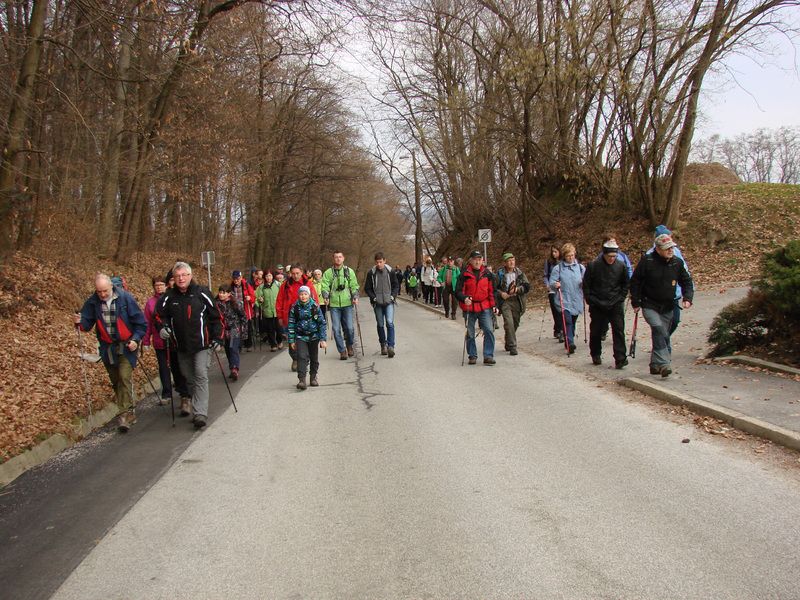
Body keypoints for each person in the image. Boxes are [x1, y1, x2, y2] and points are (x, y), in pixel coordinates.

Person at [75, 273, 147, 432]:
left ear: (111, 287)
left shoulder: (125, 298)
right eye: (99, 291)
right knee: (116, 380)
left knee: (124, 376)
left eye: (105, 291)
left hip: (127, 346)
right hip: (107, 348)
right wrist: (79, 322)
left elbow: (141, 323)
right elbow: (86, 324)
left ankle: (124, 414)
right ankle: (128, 409)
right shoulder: (93, 302)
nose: (102, 294)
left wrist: (135, 339)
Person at [156, 261, 223, 429]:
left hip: (202, 345)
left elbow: (216, 317)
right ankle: (197, 405)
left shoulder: (201, 293)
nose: (180, 279)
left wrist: (218, 338)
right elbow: (158, 316)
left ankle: (200, 413)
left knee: (200, 375)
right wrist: (163, 328)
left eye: (184, 275)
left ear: (190, 276)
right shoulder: (169, 297)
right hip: (181, 347)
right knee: (189, 377)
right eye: (177, 276)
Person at [630, 233, 694, 378]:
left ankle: (654, 365)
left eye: (672, 247)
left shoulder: (676, 263)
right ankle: (664, 363)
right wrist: (636, 301)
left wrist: (687, 298)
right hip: (649, 304)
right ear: (658, 249)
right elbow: (635, 282)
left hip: (668, 306)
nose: (670, 250)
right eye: (667, 248)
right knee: (659, 329)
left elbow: (686, 281)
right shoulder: (647, 261)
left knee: (663, 334)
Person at [583, 240, 630, 368]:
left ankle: (620, 358)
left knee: (619, 330)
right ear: (604, 254)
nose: (612, 259)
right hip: (597, 303)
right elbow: (586, 285)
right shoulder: (593, 266)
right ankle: (596, 353)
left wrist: (621, 298)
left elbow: (626, 283)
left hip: (615, 303)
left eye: (614, 256)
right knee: (596, 331)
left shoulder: (621, 266)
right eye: (609, 256)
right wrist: (591, 300)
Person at [647, 225, 692, 338]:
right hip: (654, 299)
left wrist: (688, 295)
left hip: (673, 295)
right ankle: (663, 346)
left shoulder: (675, 251)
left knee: (674, 321)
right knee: (659, 325)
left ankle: (663, 340)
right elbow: (639, 279)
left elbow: (684, 273)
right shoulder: (649, 256)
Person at [455, 250, 498, 365]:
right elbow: (458, 291)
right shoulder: (464, 274)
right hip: (469, 307)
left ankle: (488, 355)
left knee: (489, 330)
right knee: (470, 332)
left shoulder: (488, 274)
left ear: (482, 260)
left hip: (484, 306)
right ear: (470, 260)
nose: (477, 262)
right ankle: (472, 355)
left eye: (479, 259)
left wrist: (494, 306)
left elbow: (492, 292)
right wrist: (464, 298)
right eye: (475, 259)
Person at [276, 264, 320, 370]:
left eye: (297, 273)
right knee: (292, 339)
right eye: (293, 273)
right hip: (290, 316)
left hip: (306, 317)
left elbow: (315, 299)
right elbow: (279, 300)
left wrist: (316, 315)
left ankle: (304, 358)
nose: (295, 276)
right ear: (290, 273)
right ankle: (295, 359)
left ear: (301, 273)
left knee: (306, 339)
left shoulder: (308, 284)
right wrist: (280, 316)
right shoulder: (285, 285)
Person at [320, 251, 359, 360]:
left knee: (350, 328)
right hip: (334, 305)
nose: (338, 259)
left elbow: (354, 285)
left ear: (343, 258)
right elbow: (324, 286)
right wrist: (326, 296)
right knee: (336, 329)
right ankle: (342, 351)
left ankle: (349, 345)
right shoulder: (328, 273)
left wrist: (355, 296)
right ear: (333, 259)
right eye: (336, 257)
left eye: (340, 257)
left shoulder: (349, 271)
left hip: (347, 303)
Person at [287, 285, 327, 390]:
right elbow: (291, 324)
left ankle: (313, 377)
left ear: (309, 295)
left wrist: (323, 339)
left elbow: (322, 323)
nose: (303, 296)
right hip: (301, 336)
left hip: (314, 337)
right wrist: (291, 340)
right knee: (301, 356)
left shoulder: (315, 307)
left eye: (305, 294)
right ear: (298, 295)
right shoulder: (295, 308)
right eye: (301, 294)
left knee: (314, 358)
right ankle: (302, 380)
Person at [548, 243, 585, 354]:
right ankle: (570, 343)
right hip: (564, 298)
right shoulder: (558, 268)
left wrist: (585, 284)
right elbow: (551, 283)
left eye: (572, 255)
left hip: (576, 298)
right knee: (567, 321)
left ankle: (569, 339)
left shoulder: (580, 267)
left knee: (573, 321)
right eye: (568, 255)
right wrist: (556, 284)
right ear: (564, 256)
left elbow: (587, 279)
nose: (571, 257)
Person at [142, 275, 172, 406]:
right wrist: (146, 341)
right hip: (159, 340)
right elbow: (147, 323)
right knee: (163, 367)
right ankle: (166, 393)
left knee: (177, 366)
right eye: (156, 285)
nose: (159, 287)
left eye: (161, 284)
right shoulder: (150, 303)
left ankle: (184, 392)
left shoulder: (172, 298)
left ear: (166, 285)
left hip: (174, 340)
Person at [364, 252, 401, 357]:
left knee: (389, 322)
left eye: (380, 262)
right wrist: (373, 298)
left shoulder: (391, 272)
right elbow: (367, 288)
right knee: (380, 324)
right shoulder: (371, 273)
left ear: (385, 261)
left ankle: (391, 346)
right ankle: (383, 344)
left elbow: (396, 286)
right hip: (377, 303)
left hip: (389, 301)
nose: (379, 264)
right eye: (377, 262)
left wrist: (393, 296)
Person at [494, 252, 531, 356]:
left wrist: (518, 289)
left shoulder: (519, 273)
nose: (511, 262)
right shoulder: (500, 274)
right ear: (505, 263)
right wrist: (502, 294)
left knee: (515, 323)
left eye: (513, 260)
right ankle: (513, 346)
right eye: (509, 261)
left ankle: (508, 340)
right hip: (506, 302)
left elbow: (527, 287)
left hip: (517, 301)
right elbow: (494, 289)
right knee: (509, 323)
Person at [215, 284, 245, 381]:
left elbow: (243, 316)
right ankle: (232, 367)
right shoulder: (216, 304)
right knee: (227, 350)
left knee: (233, 348)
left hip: (233, 330)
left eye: (224, 293)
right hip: (223, 330)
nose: (221, 295)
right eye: (220, 292)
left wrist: (243, 330)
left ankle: (235, 368)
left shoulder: (235, 303)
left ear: (228, 294)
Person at [256, 271, 281, 350]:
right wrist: (260, 300)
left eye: (269, 275)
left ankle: (279, 341)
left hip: (277, 310)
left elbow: (283, 295)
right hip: (267, 310)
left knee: (278, 328)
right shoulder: (261, 287)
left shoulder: (278, 285)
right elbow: (257, 298)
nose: (268, 277)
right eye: (266, 276)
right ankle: (273, 344)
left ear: (272, 276)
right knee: (270, 329)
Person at [543, 246, 563, 342]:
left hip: (562, 288)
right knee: (555, 310)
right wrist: (547, 284)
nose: (554, 254)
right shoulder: (549, 262)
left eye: (556, 251)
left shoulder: (564, 261)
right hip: (552, 288)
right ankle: (558, 329)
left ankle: (560, 329)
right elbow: (546, 275)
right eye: (552, 252)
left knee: (561, 309)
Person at [231, 270, 255, 351]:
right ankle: (239, 345)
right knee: (237, 328)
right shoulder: (231, 287)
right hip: (235, 309)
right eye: (234, 279)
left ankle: (248, 345)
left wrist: (250, 298)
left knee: (247, 327)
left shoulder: (246, 285)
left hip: (245, 309)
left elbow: (253, 297)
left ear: (241, 278)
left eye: (237, 278)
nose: (236, 280)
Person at [438, 256, 460, 320]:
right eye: (449, 261)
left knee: (454, 301)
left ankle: (453, 314)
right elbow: (439, 277)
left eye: (451, 261)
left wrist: (458, 286)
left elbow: (459, 278)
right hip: (446, 286)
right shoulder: (444, 269)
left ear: (453, 262)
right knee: (445, 300)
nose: (450, 262)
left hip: (454, 287)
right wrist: (441, 282)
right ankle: (447, 311)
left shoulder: (456, 269)